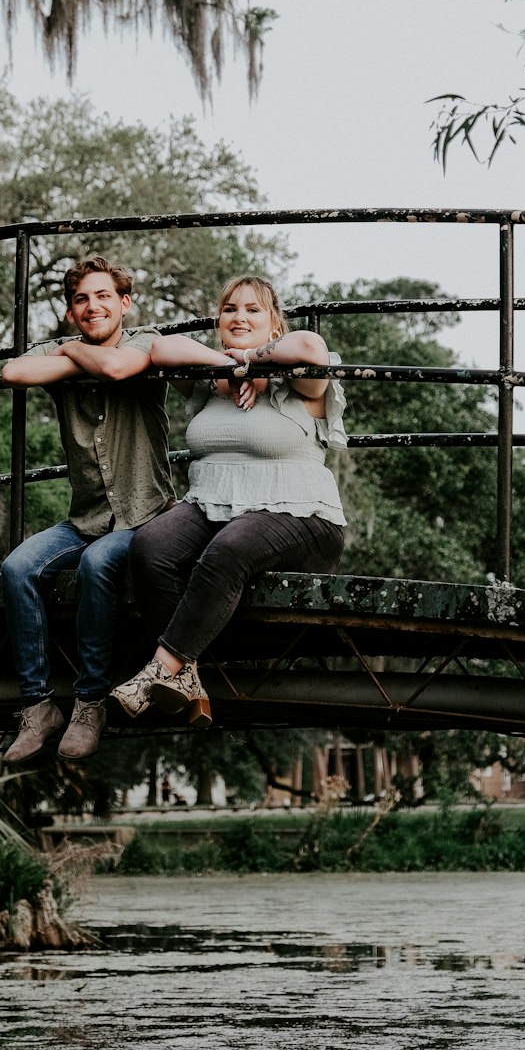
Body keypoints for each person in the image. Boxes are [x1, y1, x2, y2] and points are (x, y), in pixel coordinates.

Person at [111, 275, 347, 726]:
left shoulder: (302, 384)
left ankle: (160, 669)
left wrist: (254, 362)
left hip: (299, 513)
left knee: (227, 552)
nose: (239, 317)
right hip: (212, 504)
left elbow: (312, 346)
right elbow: (161, 348)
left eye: (253, 310)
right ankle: (186, 676)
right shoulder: (208, 379)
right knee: (151, 546)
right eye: (230, 309)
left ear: (274, 322)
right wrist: (228, 365)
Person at [0, 255, 173, 761]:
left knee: (99, 565)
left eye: (102, 296)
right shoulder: (65, 351)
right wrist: (77, 352)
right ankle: (37, 707)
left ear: (124, 302)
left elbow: (119, 367)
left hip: (147, 514)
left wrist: (69, 352)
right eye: (80, 300)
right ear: (72, 311)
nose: (92, 306)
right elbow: (13, 370)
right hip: (87, 519)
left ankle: (90, 700)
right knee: (17, 567)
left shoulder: (146, 343)